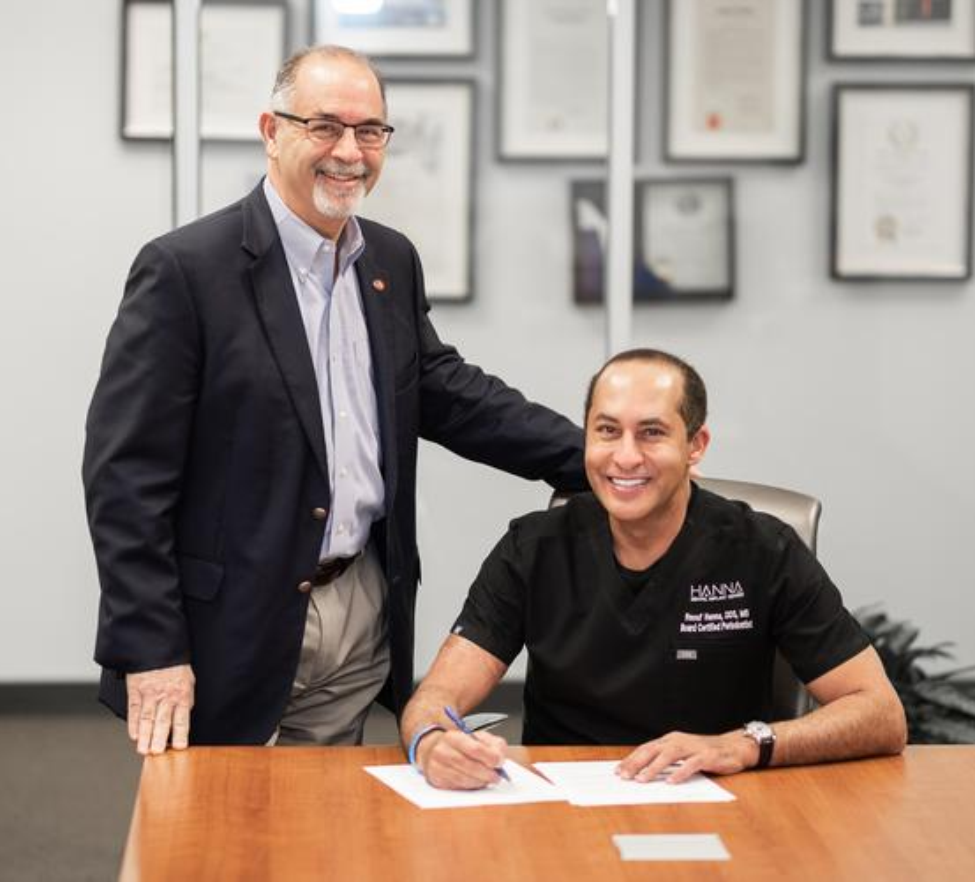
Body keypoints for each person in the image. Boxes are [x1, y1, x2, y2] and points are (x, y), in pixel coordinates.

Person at [83, 45, 585, 756]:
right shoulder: (186, 271)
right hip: (228, 618)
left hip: (356, 598)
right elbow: (125, 479)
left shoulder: (388, 260)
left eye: (370, 131)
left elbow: (446, 392)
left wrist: (591, 456)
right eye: (324, 127)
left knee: (322, 836)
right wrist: (151, 647)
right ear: (271, 129)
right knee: (216, 843)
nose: (349, 152)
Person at [401, 349, 906, 789]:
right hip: (563, 808)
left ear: (696, 445)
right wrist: (432, 742)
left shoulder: (764, 549)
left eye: (651, 433)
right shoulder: (533, 547)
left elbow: (880, 713)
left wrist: (743, 745)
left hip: (725, 798)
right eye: (606, 431)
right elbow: (438, 696)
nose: (625, 457)